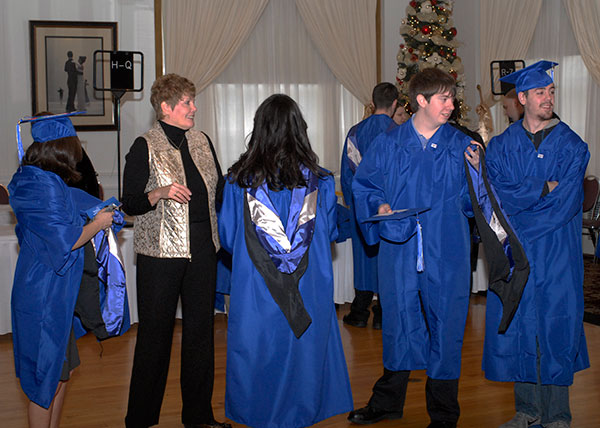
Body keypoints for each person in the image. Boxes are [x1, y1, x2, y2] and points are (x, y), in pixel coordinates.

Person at [349, 68, 480, 428]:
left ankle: (443, 415)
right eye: (443, 98)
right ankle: (388, 401)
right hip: (401, 246)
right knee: (398, 323)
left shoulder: (460, 146)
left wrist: (479, 174)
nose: (451, 105)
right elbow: (365, 185)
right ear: (421, 100)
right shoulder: (389, 144)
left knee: (446, 327)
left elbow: (476, 205)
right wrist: (378, 206)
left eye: (452, 97)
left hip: (446, 249)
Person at [218, 94, 353, 427]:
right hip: (309, 280)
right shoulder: (319, 181)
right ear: (299, 129)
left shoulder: (239, 181)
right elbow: (332, 230)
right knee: (303, 348)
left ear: (259, 129)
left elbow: (227, 236)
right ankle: (303, 412)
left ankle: (259, 413)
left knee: (259, 347)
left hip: (257, 282)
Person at [485, 61, 590, 428]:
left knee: (556, 327)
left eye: (551, 91)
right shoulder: (499, 147)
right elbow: (494, 197)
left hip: (557, 253)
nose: (548, 98)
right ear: (523, 97)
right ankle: (527, 411)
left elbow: (565, 205)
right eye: (541, 92)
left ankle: (558, 415)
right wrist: (541, 188)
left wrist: (518, 209)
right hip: (517, 254)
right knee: (521, 325)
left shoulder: (573, 146)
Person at [121, 73, 227, 428]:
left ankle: (199, 417)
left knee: (200, 335)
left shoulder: (202, 141)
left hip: (202, 249)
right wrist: (159, 193)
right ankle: (140, 419)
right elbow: (130, 203)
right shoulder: (144, 145)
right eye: (187, 102)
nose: (194, 108)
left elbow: (222, 190)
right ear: (166, 107)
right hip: (160, 255)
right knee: (155, 337)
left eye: (193, 101)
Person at [9, 112, 121, 428]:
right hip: (42, 296)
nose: (76, 154)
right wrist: (98, 223)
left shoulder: (47, 181)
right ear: (60, 148)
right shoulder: (35, 184)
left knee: (62, 374)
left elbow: (77, 202)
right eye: (72, 147)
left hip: (58, 292)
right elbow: (66, 239)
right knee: (45, 379)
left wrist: (105, 208)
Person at [340, 82, 399, 329]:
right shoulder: (399, 132)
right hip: (391, 208)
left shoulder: (355, 132)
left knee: (364, 258)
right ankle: (384, 314)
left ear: (373, 102)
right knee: (388, 259)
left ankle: (360, 311)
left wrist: (354, 204)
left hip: (362, 207)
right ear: (395, 104)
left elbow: (347, 173)